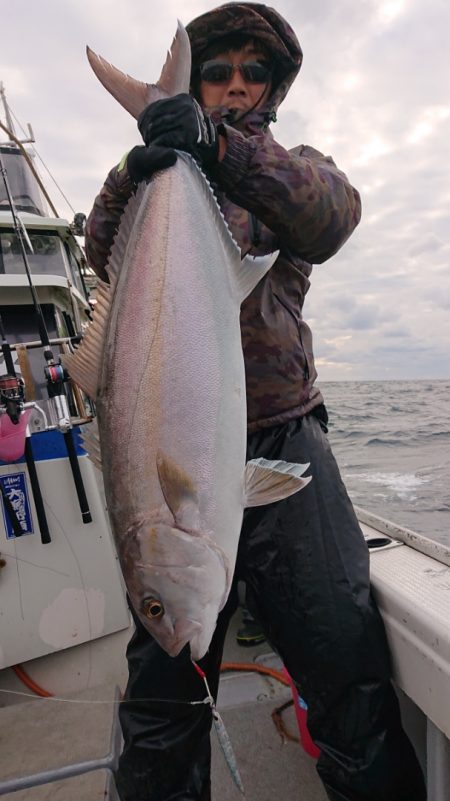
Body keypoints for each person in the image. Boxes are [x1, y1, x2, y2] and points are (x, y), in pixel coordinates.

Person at [85, 4, 427, 800]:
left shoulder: (287, 168)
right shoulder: (157, 177)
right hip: (173, 456)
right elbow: (105, 253)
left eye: (253, 73)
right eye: (217, 72)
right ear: (198, 82)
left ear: (272, 89)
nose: (235, 86)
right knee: (163, 696)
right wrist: (135, 170)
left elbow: (332, 213)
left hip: (282, 443)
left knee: (346, 666)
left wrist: (219, 148)